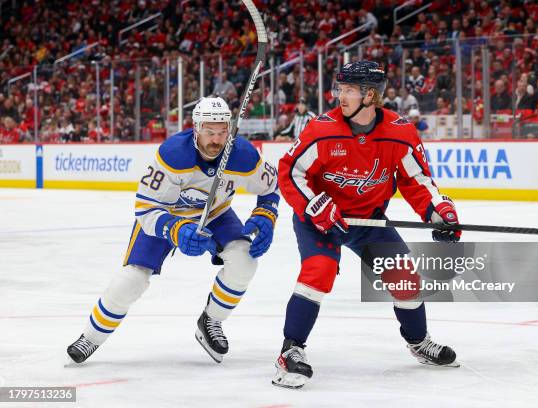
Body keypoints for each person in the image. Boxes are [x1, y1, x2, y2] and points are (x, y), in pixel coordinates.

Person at [272, 61, 460, 389]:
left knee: (405, 277)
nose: (339, 96)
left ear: (370, 95)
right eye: (340, 89)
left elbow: (416, 180)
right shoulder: (322, 128)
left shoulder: (400, 133)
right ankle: (291, 350)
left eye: (348, 90)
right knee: (319, 270)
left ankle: (418, 342)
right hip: (320, 219)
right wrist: (314, 204)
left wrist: (438, 211)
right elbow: (290, 171)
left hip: (368, 219)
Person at [66, 97, 280, 364]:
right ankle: (91, 337)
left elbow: (271, 186)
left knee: (245, 262)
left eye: (222, 132)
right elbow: (145, 209)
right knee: (131, 279)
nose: (216, 140)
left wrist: (267, 213)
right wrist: (176, 230)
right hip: (166, 216)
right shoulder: (173, 154)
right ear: (196, 128)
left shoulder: (243, 154)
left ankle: (211, 320)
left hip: (215, 214)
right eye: (209, 132)